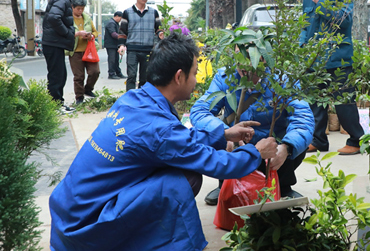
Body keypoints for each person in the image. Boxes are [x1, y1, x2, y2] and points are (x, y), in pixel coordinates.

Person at [49, 34, 278, 250]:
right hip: (85, 229)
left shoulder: (134, 99)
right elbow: (216, 164)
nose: (196, 81)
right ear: (179, 77)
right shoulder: (158, 129)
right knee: (183, 180)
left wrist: (224, 134)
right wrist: (256, 152)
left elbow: (179, 141)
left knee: (179, 170)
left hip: (69, 215)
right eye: (194, 73)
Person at [191, 67, 315, 205]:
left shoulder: (283, 79)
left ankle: (283, 186)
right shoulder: (225, 77)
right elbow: (200, 112)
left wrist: (287, 147)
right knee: (212, 134)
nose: (246, 63)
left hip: (273, 151)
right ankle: (226, 185)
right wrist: (225, 134)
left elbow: (303, 118)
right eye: (241, 54)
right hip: (237, 148)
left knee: (297, 140)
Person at [299, 0, 364, 155]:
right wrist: (302, 47)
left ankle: (356, 140)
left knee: (344, 102)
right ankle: (318, 141)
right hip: (314, 58)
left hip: (338, 58)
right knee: (315, 104)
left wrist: (322, 4)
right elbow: (305, 26)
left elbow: (344, 21)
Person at [42, 0, 88, 113]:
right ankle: (55, 106)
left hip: (55, 43)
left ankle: (57, 103)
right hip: (53, 43)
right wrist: (67, 33)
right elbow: (54, 18)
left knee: (60, 74)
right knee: (57, 75)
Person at [118, 0, 163, 91]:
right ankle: (130, 99)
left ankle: (141, 100)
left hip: (148, 50)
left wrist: (160, 33)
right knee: (132, 75)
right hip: (133, 50)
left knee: (145, 77)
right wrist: (121, 45)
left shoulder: (154, 12)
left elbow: (159, 28)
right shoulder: (127, 12)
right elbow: (122, 31)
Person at [67, 0, 100, 105]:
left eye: (82, 8)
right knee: (79, 76)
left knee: (95, 71)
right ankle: (79, 97)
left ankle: (88, 89)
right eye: (78, 9)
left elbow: (95, 32)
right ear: (72, 7)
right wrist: (76, 34)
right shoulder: (68, 19)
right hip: (75, 51)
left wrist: (91, 35)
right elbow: (64, 33)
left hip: (89, 50)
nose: (80, 11)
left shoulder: (87, 18)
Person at [104, 11, 126, 79]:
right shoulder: (111, 23)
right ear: (116, 16)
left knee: (116, 59)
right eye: (120, 18)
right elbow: (113, 34)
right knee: (112, 60)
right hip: (111, 45)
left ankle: (118, 73)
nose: (121, 20)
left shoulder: (115, 23)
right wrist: (122, 37)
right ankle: (111, 74)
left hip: (115, 45)